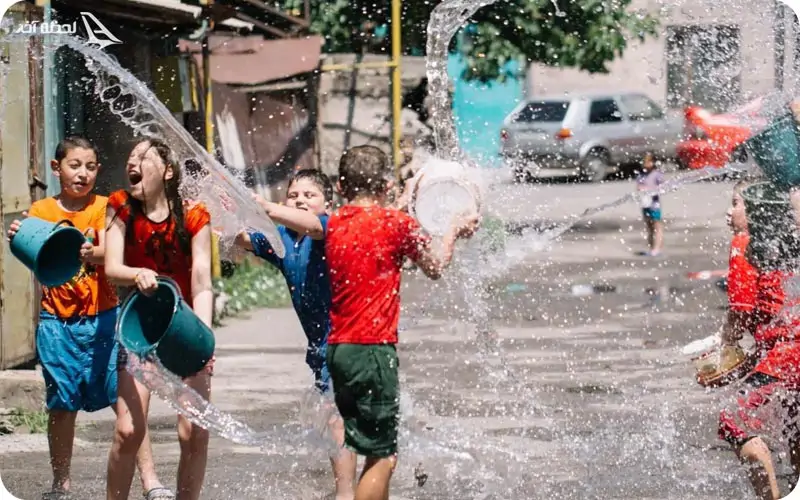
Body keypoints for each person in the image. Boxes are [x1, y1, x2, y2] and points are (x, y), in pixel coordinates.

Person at [6, 136, 171, 500]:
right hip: (57, 324)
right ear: (56, 168)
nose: (83, 174)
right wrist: (17, 236)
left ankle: (151, 480)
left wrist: (92, 251)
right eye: (74, 165)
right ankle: (60, 484)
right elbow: (31, 254)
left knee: (128, 404)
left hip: (105, 321)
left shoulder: (106, 208)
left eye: (91, 167)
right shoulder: (41, 212)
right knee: (62, 407)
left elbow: (112, 254)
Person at [325, 145, 480, 500]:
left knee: (370, 449)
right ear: (384, 185)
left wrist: (405, 196)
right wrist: (453, 228)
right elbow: (436, 265)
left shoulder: (334, 222)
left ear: (340, 185)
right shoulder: (397, 225)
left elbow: (373, 222)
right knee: (383, 456)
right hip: (373, 353)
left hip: (339, 352)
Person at [234, 169, 358, 500]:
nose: (300, 200)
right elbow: (243, 238)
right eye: (294, 195)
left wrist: (266, 207)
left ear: (328, 203)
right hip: (320, 347)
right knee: (354, 417)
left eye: (309, 195)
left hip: (348, 340)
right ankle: (407, 445)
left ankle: (345, 494)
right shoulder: (283, 239)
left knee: (335, 417)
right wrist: (220, 213)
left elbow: (315, 226)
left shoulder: (330, 228)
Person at [104, 138, 214, 500]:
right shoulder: (120, 206)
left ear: (167, 171)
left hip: (184, 329)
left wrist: (204, 340)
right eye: (130, 156)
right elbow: (112, 268)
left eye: (142, 157)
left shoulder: (195, 215)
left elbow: (201, 282)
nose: (132, 162)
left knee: (193, 432)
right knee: (127, 431)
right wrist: (136, 274)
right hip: (138, 331)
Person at [636, 152, 664, 257]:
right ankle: (651, 248)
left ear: (653, 162)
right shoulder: (641, 175)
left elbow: (663, 187)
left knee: (657, 226)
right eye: (644, 161)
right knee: (649, 227)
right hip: (645, 204)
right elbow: (638, 187)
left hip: (654, 205)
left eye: (648, 161)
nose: (646, 164)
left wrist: (651, 190)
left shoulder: (657, 174)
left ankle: (657, 248)